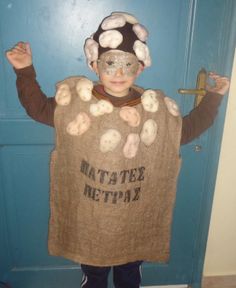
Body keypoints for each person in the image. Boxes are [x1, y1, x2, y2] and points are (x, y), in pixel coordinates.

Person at [6, 12, 229, 288]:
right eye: (110, 64)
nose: (119, 73)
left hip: (133, 221)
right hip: (91, 221)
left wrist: (214, 97)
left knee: (129, 274)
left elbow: (185, 130)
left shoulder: (154, 112)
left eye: (128, 64)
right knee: (95, 276)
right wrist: (25, 70)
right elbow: (38, 108)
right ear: (94, 65)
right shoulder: (77, 104)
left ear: (141, 67)